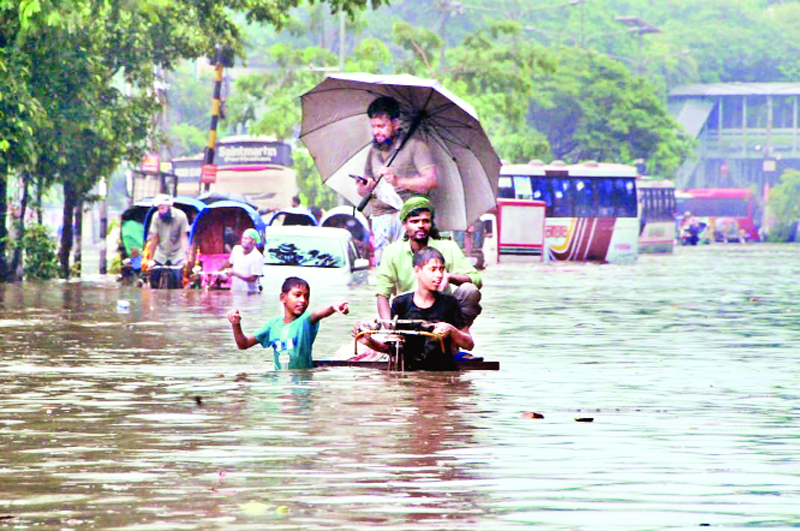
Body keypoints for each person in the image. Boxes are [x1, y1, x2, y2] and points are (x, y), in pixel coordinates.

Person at [356, 248, 473, 371]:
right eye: (432, 269)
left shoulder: (450, 303)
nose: (439, 275)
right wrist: (369, 342)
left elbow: (469, 344)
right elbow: (392, 349)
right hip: (409, 377)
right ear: (417, 271)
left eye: (441, 269)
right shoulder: (401, 304)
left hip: (442, 376)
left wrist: (451, 330)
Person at [375, 196, 482, 328]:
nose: (420, 225)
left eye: (425, 221)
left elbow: (476, 279)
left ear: (431, 223)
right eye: (414, 221)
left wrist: (449, 277)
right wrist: (390, 328)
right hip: (407, 313)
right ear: (405, 225)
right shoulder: (392, 252)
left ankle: (458, 332)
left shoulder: (448, 247)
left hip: (443, 313)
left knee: (469, 290)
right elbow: (382, 293)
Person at [355, 96, 438, 264]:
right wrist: (364, 187)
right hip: (379, 218)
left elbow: (431, 181)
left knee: (407, 267)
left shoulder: (416, 146)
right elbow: (365, 186)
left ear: (396, 124)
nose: (376, 131)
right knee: (384, 270)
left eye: (381, 126)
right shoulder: (372, 151)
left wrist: (398, 181)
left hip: (408, 219)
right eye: (373, 126)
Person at [226, 277, 349, 370]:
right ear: (282, 298)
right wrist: (236, 324)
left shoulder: (305, 321)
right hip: (279, 384)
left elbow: (318, 314)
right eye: (297, 295)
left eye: (306, 296)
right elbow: (243, 344)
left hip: (302, 383)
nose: (303, 300)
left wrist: (332, 308)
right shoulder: (272, 324)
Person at [145, 194, 190, 289]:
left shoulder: (181, 216)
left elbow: (183, 238)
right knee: (154, 279)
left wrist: (185, 258)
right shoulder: (156, 217)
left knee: (177, 281)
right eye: (159, 208)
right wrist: (151, 258)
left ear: (169, 206)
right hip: (161, 253)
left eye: (163, 207)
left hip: (177, 253)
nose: (160, 210)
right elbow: (154, 238)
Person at [213, 228, 264, 293]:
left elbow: (253, 278)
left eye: (246, 239)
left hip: (251, 293)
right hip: (235, 291)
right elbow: (229, 263)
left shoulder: (257, 257)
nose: (243, 240)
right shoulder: (236, 249)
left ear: (253, 241)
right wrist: (218, 273)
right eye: (243, 238)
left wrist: (234, 273)